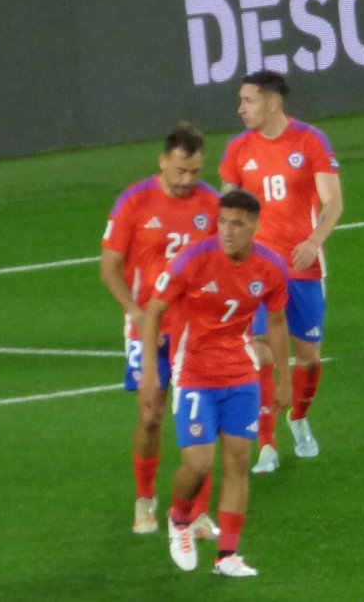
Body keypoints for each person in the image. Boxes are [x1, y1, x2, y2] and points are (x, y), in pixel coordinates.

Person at [140, 189, 291, 576]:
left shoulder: (271, 268)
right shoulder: (193, 260)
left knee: (239, 461)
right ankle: (179, 518)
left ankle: (227, 556)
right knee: (200, 462)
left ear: (255, 226)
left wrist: (284, 379)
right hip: (193, 373)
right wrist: (151, 374)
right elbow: (154, 312)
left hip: (240, 373)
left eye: (237, 223)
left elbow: (275, 322)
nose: (227, 230)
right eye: (222, 221)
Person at [99, 124, 222, 535]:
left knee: (199, 416)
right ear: (163, 161)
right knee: (151, 415)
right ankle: (145, 499)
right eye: (180, 172)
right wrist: (133, 311)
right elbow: (109, 267)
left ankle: (197, 511)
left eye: (195, 171)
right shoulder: (134, 201)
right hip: (147, 329)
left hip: (195, 330)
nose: (188, 181)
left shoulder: (211, 203)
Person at [219, 71, 344, 474]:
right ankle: (267, 445)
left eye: (248, 101)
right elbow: (226, 212)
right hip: (256, 268)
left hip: (303, 265)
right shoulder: (237, 150)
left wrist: (313, 241)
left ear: (272, 103)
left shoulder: (310, 141)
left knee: (307, 358)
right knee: (261, 348)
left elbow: (333, 203)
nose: (241, 109)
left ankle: (299, 418)